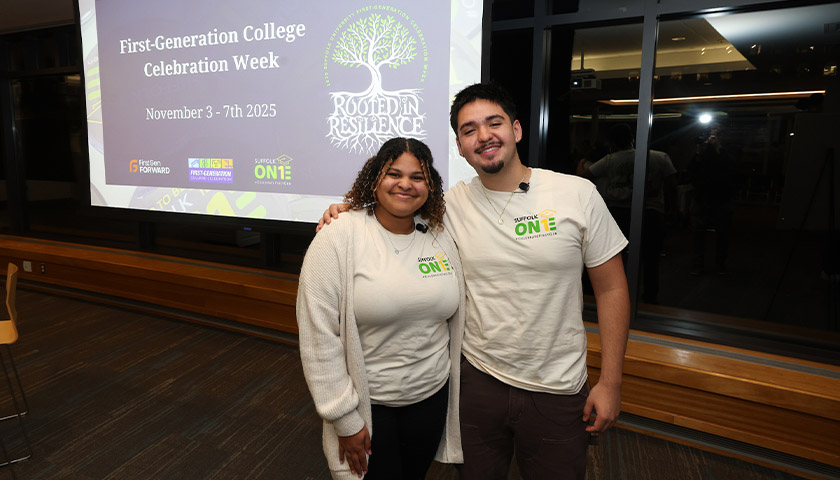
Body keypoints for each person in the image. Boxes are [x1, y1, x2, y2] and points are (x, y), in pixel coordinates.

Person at [319, 83, 630, 480]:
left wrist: (611, 382)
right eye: (469, 130)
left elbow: (612, 288)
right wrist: (349, 209)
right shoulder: (448, 207)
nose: (483, 136)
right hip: (476, 385)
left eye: (493, 123)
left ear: (516, 130)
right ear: (460, 146)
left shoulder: (577, 194)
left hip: (557, 386)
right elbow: (394, 204)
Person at [297, 137, 465, 479]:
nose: (405, 184)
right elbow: (319, 337)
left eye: (417, 177)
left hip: (431, 398)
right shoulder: (338, 235)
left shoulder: (440, 234)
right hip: (369, 408)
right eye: (394, 174)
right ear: (375, 178)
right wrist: (344, 418)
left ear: (430, 185)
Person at [577, 123, 677, 303]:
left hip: (618, 212)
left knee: (614, 256)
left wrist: (583, 160)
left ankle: (616, 296)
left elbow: (583, 176)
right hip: (651, 212)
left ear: (612, 143)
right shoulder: (660, 157)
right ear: (632, 138)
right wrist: (672, 209)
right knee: (651, 257)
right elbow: (671, 186)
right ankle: (649, 298)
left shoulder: (610, 160)